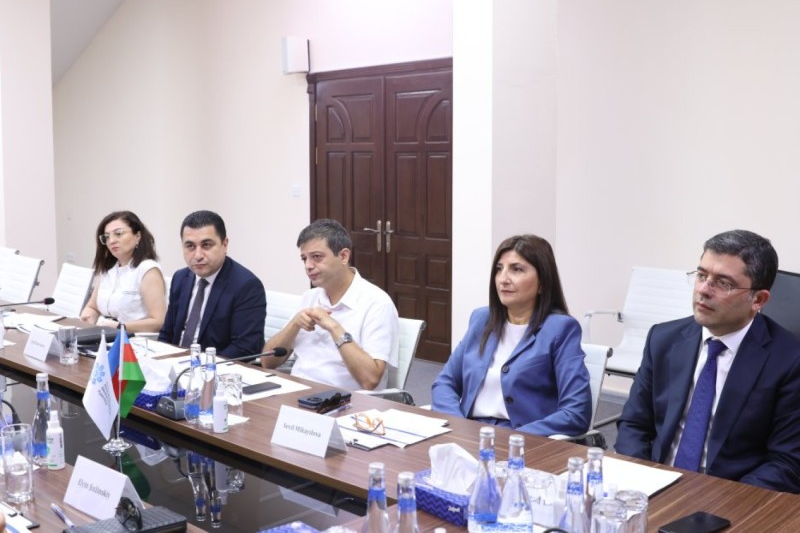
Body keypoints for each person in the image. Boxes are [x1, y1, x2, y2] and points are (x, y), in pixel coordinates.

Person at [615, 230, 800, 493]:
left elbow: (787, 463)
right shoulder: (663, 339)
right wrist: (642, 480)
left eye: (723, 283)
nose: (703, 290)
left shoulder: (789, 360)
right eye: (702, 275)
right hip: (655, 484)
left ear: (758, 299)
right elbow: (634, 424)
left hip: (731, 495)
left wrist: (719, 502)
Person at [431, 234, 591, 437]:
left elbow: (576, 413)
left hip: (522, 439)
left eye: (516, 269)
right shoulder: (481, 319)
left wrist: (513, 438)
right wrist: (458, 425)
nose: (503, 279)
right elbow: (444, 384)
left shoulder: (560, 329)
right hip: (469, 431)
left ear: (542, 283)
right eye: (499, 269)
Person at [262, 219, 398, 391]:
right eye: (304, 259)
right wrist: (294, 324)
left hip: (343, 400)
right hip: (296, 392)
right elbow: (267, 362)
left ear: (343, 256)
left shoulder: (377, 303)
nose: (308, 266)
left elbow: (370, 380)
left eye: (316, 257)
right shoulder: (309, 297)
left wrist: (334, 328)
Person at [158, 210, 266, 359]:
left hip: (216, 367)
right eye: (190, 246)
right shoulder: (180, 278)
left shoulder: (246, 286)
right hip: (175, 363)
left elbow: (245, 347)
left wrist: (203, 367)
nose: (198, 255)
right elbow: (167, 334)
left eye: (206, 245)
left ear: (224, 244)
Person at [80, 211, 166, 333]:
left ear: (138, 236)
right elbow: (92, 307)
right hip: (108, 335)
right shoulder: (108, 269)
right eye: (107, 237)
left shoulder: (148, 270)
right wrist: (89, 316)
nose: (111, 241)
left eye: (118, 234)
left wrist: (120, 327)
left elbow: (158, 321)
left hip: (136, 339)